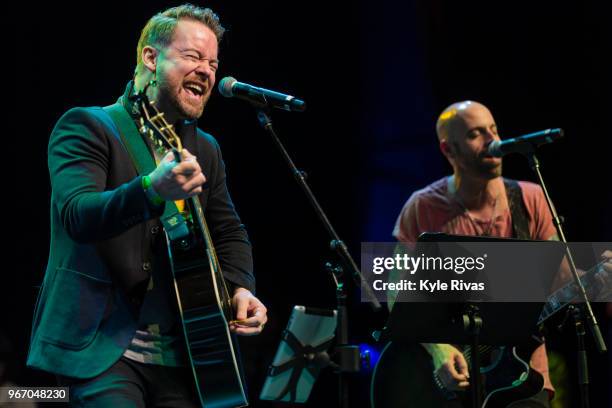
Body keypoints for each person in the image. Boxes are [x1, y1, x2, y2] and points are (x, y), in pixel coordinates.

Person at [27, 5, 267, 407]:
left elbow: (229, 231)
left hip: (185, 354)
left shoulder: (205, 148)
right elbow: (77, 215)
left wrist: (241, 287)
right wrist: (151, 190)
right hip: (100, 349)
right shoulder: (88, 126)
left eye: (213, 62)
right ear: (151, 58)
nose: (207, 71)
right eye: (193, 57)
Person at [388, 100, 611, 407]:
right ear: (447, 150)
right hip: (453, 379)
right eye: (475, 134)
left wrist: (599, 279)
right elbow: (397, 291)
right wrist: (438, 348)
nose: (492, 140)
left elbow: (563, 283)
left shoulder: (529, 198)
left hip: (523, 376)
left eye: (493, 129)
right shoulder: (423, 207)